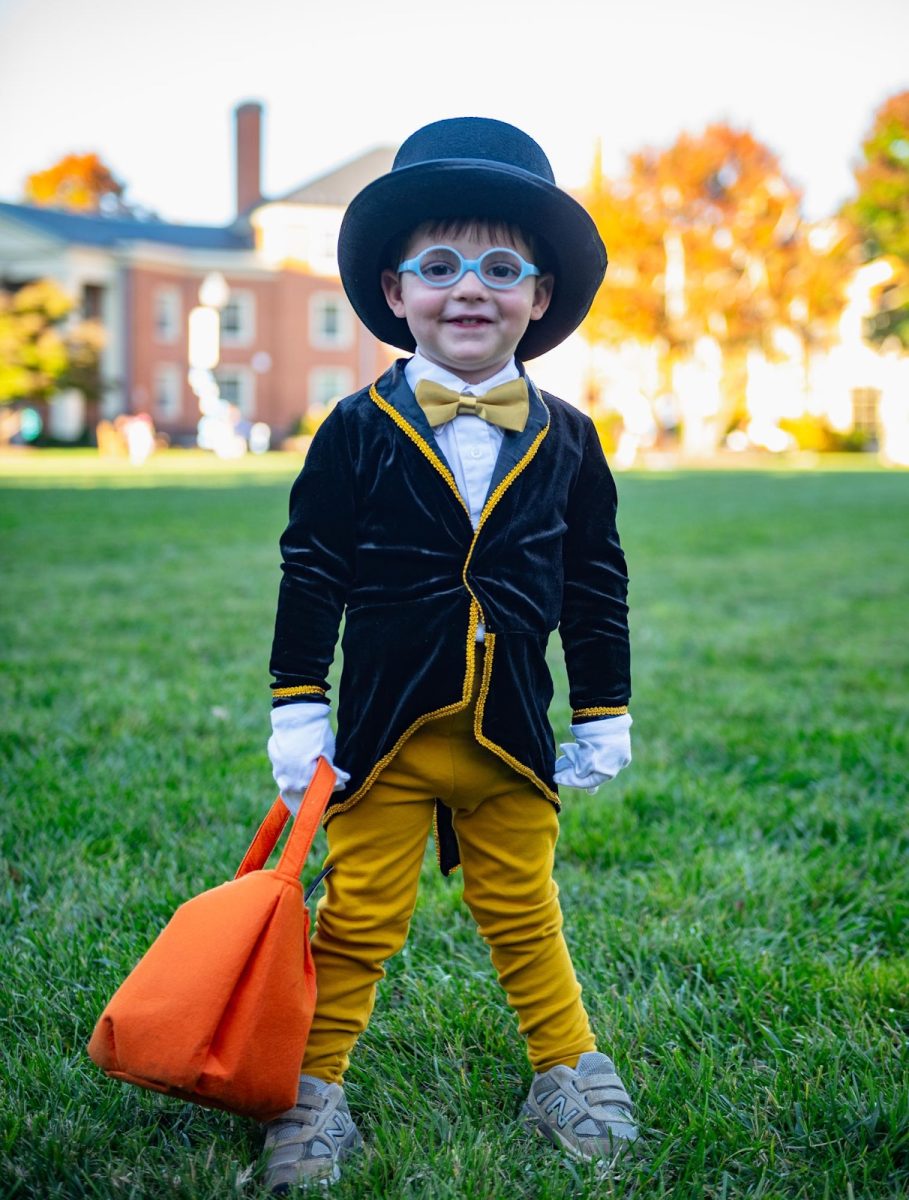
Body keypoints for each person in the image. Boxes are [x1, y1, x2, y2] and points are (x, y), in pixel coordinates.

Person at [264, 117, 636, 1192]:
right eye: (439, 266)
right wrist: (299, 705)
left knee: (527, 911)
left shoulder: (568, 434)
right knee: (359, 918)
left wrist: (603, 711)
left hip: (511, 730)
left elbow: (594, 583)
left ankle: (567, 1065)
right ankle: (313, 1087)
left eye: (500, 267)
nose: (468, 289)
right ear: (394, 291)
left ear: (540, 295)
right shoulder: (355, 426)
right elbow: (312, 570)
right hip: (387, 732)